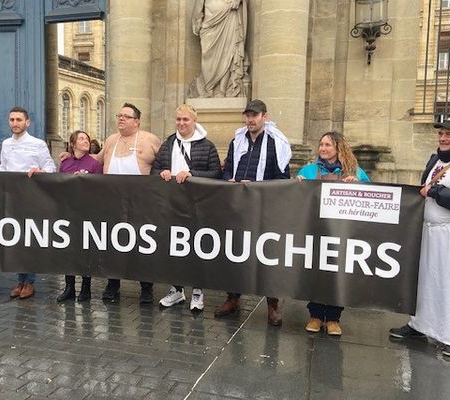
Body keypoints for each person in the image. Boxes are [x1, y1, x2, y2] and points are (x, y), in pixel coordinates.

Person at [389, 115, 450, 358]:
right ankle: (420, 324)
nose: (443, 137)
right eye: (441, 133)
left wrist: (437, 192)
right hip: (428, 230)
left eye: (449, 134)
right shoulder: (436, 159)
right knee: (425, 280)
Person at [213, 99, 291, 326]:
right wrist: (231, 181)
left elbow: (282, 178)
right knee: (235, 251)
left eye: (254, 115)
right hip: (238, 206)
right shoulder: (237, 140)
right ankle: (233, 298)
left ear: (264, 117)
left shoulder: (278, 143)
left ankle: (272, 305)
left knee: (267, 255)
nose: (250, 119)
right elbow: (227, 169)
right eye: (247, 115)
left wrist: (257, 186)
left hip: (265, 207)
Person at [73, 103, 161, 303]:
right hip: (111, 203)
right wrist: (74, 158)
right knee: (113, 246)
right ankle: (113, 284)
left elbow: (165, 162)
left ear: (137, 121)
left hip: (141, 203)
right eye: (119, 115)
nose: (121, 119)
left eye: (126, 116)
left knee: (142, 246)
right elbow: (96, 161)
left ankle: (146, 288)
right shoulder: (112, 140)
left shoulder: (150, 140)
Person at [296, 131, 370, 336]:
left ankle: (334, 318)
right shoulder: (309, 170)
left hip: (341, 231)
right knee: (315, 273)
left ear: (338, 148)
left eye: (328, 145)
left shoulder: (354, 171)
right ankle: (316, 315)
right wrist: (298, 184)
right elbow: (295, 197)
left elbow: (371, 195)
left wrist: (358, 184)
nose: (323, 149)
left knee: (337, 274)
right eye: (321, 145)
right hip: (315, 230)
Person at [0, 106, 56, 300]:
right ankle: (19, 280)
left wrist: (41, 172)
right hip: (11, 197)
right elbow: (4, 167)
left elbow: (51, 167)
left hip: (31, 198)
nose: (15, 123)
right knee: (15, 240)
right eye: (12, 119)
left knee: (29, 240)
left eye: (18, 120)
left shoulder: (37, 144)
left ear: (27, 122)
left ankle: (30, 282)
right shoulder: (6, 144)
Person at [151, 104, 221, 311]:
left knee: (196, 248)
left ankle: (198, 291)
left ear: (194, 121)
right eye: (178, 119)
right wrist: (161, 172)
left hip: (197, 205)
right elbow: (155, 168)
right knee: (175, 247)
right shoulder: (168, 143)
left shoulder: (207, 145)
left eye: (185, 120)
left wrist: (192, 174)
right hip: (172, 205)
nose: (181, 123)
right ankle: (177, 290)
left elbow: (217, 173)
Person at [56, 130, 103, 303]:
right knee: (68, 250)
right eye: (81, 138)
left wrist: (86, 181)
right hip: (68, 211)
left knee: (85, 250)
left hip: (87, 212)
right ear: (73, 143)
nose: (85, 141)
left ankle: (86, 287)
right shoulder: (65, 162)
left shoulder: (94, 164)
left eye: (87, 139)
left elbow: (101, 187)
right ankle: (69, 287)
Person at [189, 0, 249, 98]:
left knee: (227, 54)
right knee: (208, 56)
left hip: (229, 16)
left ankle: (222, 90)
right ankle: (209, 88)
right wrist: (197, 19)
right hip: (209, 22)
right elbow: (199, 4)